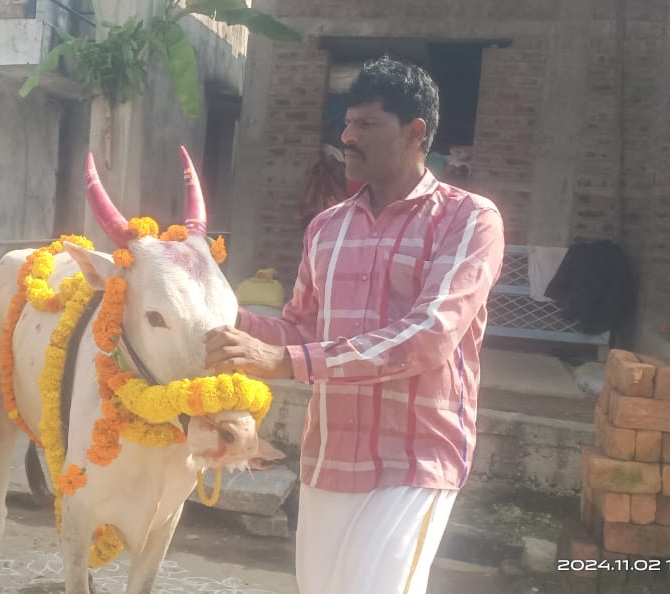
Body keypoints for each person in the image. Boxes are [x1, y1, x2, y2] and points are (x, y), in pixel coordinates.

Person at [204, 57, 505, 593]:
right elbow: (301, 330)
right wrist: (216, 314)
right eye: (347, 123)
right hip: (330, 457)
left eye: (366, 124)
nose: (347, 136)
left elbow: (429, 337)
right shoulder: (326, 228)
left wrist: (284, 361)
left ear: (415, 132)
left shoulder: (469, 219)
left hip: (414, 460)